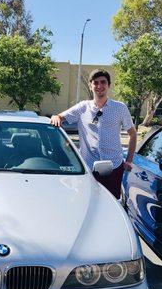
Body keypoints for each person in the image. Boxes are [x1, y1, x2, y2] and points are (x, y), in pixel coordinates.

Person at [50, 69, 137, 199]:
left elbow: (133, 134)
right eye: (95, 83)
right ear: (91, 86)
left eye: (103, 82)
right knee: (87, 202)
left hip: (114, 166)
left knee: (112, 205)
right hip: (88, 168)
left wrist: (129, 161)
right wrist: (56, 117)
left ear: (109, 85)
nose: (99, 86)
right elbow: (59, 117)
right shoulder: (82, 107)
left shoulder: (120, 108)